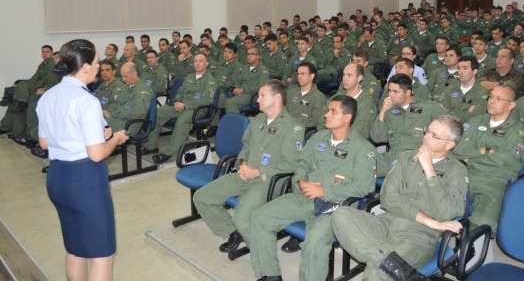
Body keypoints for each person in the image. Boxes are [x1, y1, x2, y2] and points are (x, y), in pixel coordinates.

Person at [250, 95, 376, 281]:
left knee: (315, 240)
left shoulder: (363, 149)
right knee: (260, 217)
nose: (326, 115)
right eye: (327, 110)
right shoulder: (319, 137)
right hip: (305, 196)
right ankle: (270, 274)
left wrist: (325, 191)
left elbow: (365, 186)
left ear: (347, 117)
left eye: (333, 111)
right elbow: (302, 165)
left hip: (336, 206)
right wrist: (300, 182)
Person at [332, 114, 468, 281]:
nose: (426, 137)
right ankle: (402, 269)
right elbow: (387, 197)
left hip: (418, 237)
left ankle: (387, 262)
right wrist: (430, 221)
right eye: (427, 131)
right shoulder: (405, 157)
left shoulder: (457, 170)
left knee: (377, 272)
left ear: (450, 144)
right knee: (341, 214)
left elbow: (447, 212)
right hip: (385, 222)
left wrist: (430, 172)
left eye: (435, 136)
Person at [36, 39, 129, 281]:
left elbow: (45, 143)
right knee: (101, 254)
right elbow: (96, 153)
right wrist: (115, 139)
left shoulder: (48, 96)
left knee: (75, 249)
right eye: (97, 62)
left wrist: (99, 136)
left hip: (58, 178)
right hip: (84, 181)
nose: (99, 67)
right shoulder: (87, 100)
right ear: (85, 67)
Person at [194, 80, 304, 256]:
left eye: (262, 95)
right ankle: (233, 232)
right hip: (245, 174)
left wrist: (257, 172)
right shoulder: (258, 120)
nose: (258, 99)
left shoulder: (293, 127)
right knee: (202, 197)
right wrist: (243, 163)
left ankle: (265, 261)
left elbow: (292, 163)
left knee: (242, 217)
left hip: (268, 181)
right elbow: (245, 146)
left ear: (276, 98)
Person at [453, 85, 524, 233]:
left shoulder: (517, 132)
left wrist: (470, 158)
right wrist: (483, 151)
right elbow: (456, 148)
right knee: (432, 199)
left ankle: (473, 253)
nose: (492, 101)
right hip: (465, 175)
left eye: (499, 99)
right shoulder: (476, 121)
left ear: (511, 105)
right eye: (491, 97)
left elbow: (503, 160)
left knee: (481, 225)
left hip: (493, 182)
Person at [371, 74, 447, 176]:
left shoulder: (429, 107)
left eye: (395, 92)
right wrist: (383, 111)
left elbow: (451, 125)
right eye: (389, 91)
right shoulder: (389, 111)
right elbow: (377, 138)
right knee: (363, 164)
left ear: (408, 92)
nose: (390, 95)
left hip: (417, 157)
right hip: (393, 157)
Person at [147, 52, 217, 162]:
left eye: (200, 61)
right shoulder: (189, 77)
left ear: (206, 63)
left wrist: (185, 105)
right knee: (158, 113)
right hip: (182, 105)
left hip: (198, 109)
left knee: (182, 120)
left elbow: (206, 100)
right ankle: (151, 146)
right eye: (195, 61)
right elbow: (180, 92)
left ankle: (170, 152)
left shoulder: (210, 80)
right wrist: (177, 101)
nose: (197, 64)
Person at [439, 56, 488, 123]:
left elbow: (475, 118)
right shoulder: (450, 89)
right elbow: (441, 114)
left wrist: (451, 114)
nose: (460, 72)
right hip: (448, 128)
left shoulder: (482, 92)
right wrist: (467, 113)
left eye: (465, 68)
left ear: (474, 71)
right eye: (459, 68)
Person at [286, 63, 328, 132]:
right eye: (298, 74)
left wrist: (294, 127)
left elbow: (314, 121)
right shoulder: (292, 93)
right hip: (286, 127)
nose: (299, 77)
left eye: (302, 74)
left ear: (311, 76)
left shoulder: (318, 97)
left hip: (303, 132)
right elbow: (285, 112)